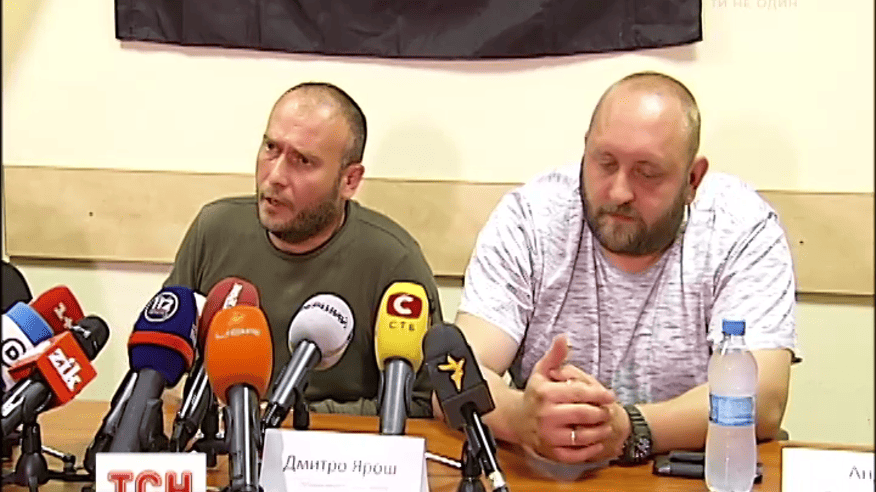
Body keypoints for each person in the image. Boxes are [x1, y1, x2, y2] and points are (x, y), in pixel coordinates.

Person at [453, 71, 798, 467]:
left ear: (692, 179)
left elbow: (763, 397)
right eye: (604, 163)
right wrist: (520, 418)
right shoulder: (530, 218)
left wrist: (630, 429)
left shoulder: (741, 228)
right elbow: (456, 373)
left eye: (647, 173)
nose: (619, 191)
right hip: (548, 476)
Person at [165, 82, 442, 416]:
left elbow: (421, 404)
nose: (275, 176)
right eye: (271, 148)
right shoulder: (214, 229)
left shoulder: (395, 261)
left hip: (331, 446)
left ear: (349, 180)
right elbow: (163, 359)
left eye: (303, 161)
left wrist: (286, 421)